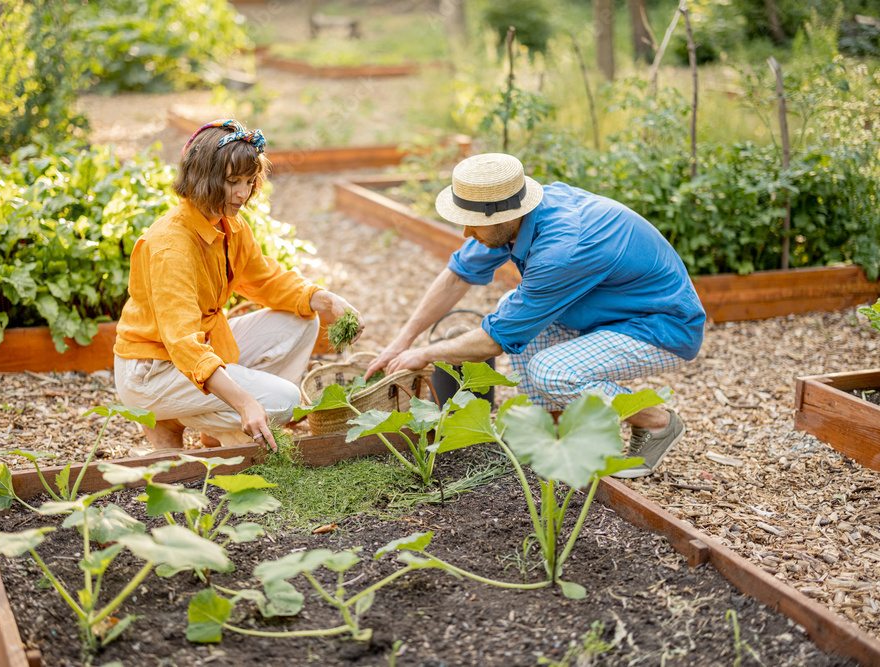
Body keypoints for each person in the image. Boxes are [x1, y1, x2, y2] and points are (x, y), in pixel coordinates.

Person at [366, 153, 705, 478]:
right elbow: (458, 275)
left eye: (474, 224)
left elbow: (493, 341)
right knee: (517, 313)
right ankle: (555, 432)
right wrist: (402, 341)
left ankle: (657, 422)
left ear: (507, 216)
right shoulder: (512, 213)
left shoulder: (561, 250)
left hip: (661, 326)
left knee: (552, 371)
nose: (466, 233)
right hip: (608, 311)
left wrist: (423, 353)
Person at [114, 119, 362, 452]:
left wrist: (325, 299)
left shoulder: (230, 224)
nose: (243, 193)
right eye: (233, 182)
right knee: (287, 400)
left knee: (302, 318)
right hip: (152, 370)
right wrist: (244, 402)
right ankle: (203, 418)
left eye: (249, 180)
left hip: (200, 348)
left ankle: (227, 428)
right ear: (205, 178)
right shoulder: (171, 246)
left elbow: (266, 280)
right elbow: (184, 344)